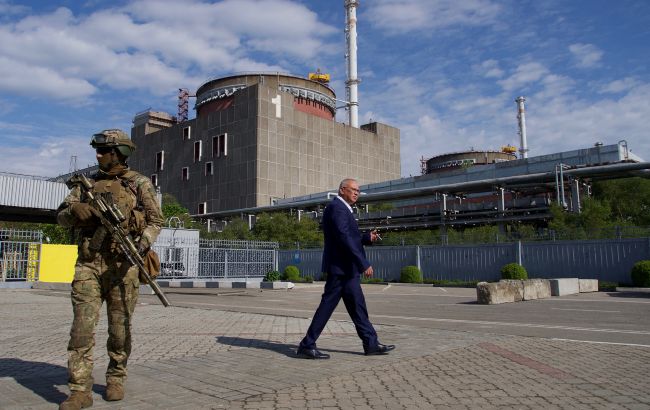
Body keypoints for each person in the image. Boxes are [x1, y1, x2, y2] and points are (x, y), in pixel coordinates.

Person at [57, 129, 163, 409]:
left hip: (124, 266)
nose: (98, 155)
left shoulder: (139, 183)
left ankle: (116, 377)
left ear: (118, 153)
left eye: (104, 151)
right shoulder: (86, 185)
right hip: (89, 264)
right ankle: (79, 390)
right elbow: (61, 217)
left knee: (120, 330)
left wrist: (142, 243)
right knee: (81, 330)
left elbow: (156, 221)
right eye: (98, 150)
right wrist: (74, 211)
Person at [297, 178, 395, 359]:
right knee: (328, 307)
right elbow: (343, 237)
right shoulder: (337, 208)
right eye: (353, 189)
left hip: (346, 270)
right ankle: (307, 345)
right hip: (341, 269)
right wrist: (363, 263)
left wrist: (366, 238)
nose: (357, 193)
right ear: (342, 190)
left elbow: (349, 237)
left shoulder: (343, 209)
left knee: (358, 307)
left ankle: (371, 344)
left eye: (358, 190)